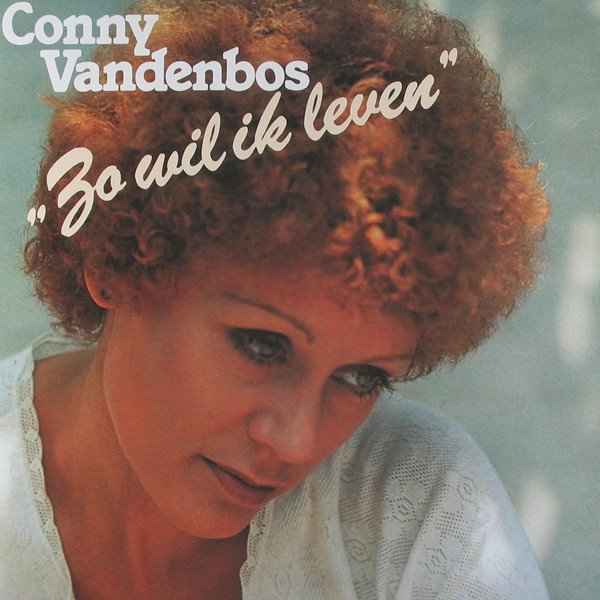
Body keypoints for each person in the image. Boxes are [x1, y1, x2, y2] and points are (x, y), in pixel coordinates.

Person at [0, 0, 551, 598]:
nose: (295, 443)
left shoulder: (420, 501)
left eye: (361, 378)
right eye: (262, 347)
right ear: (112, 262)